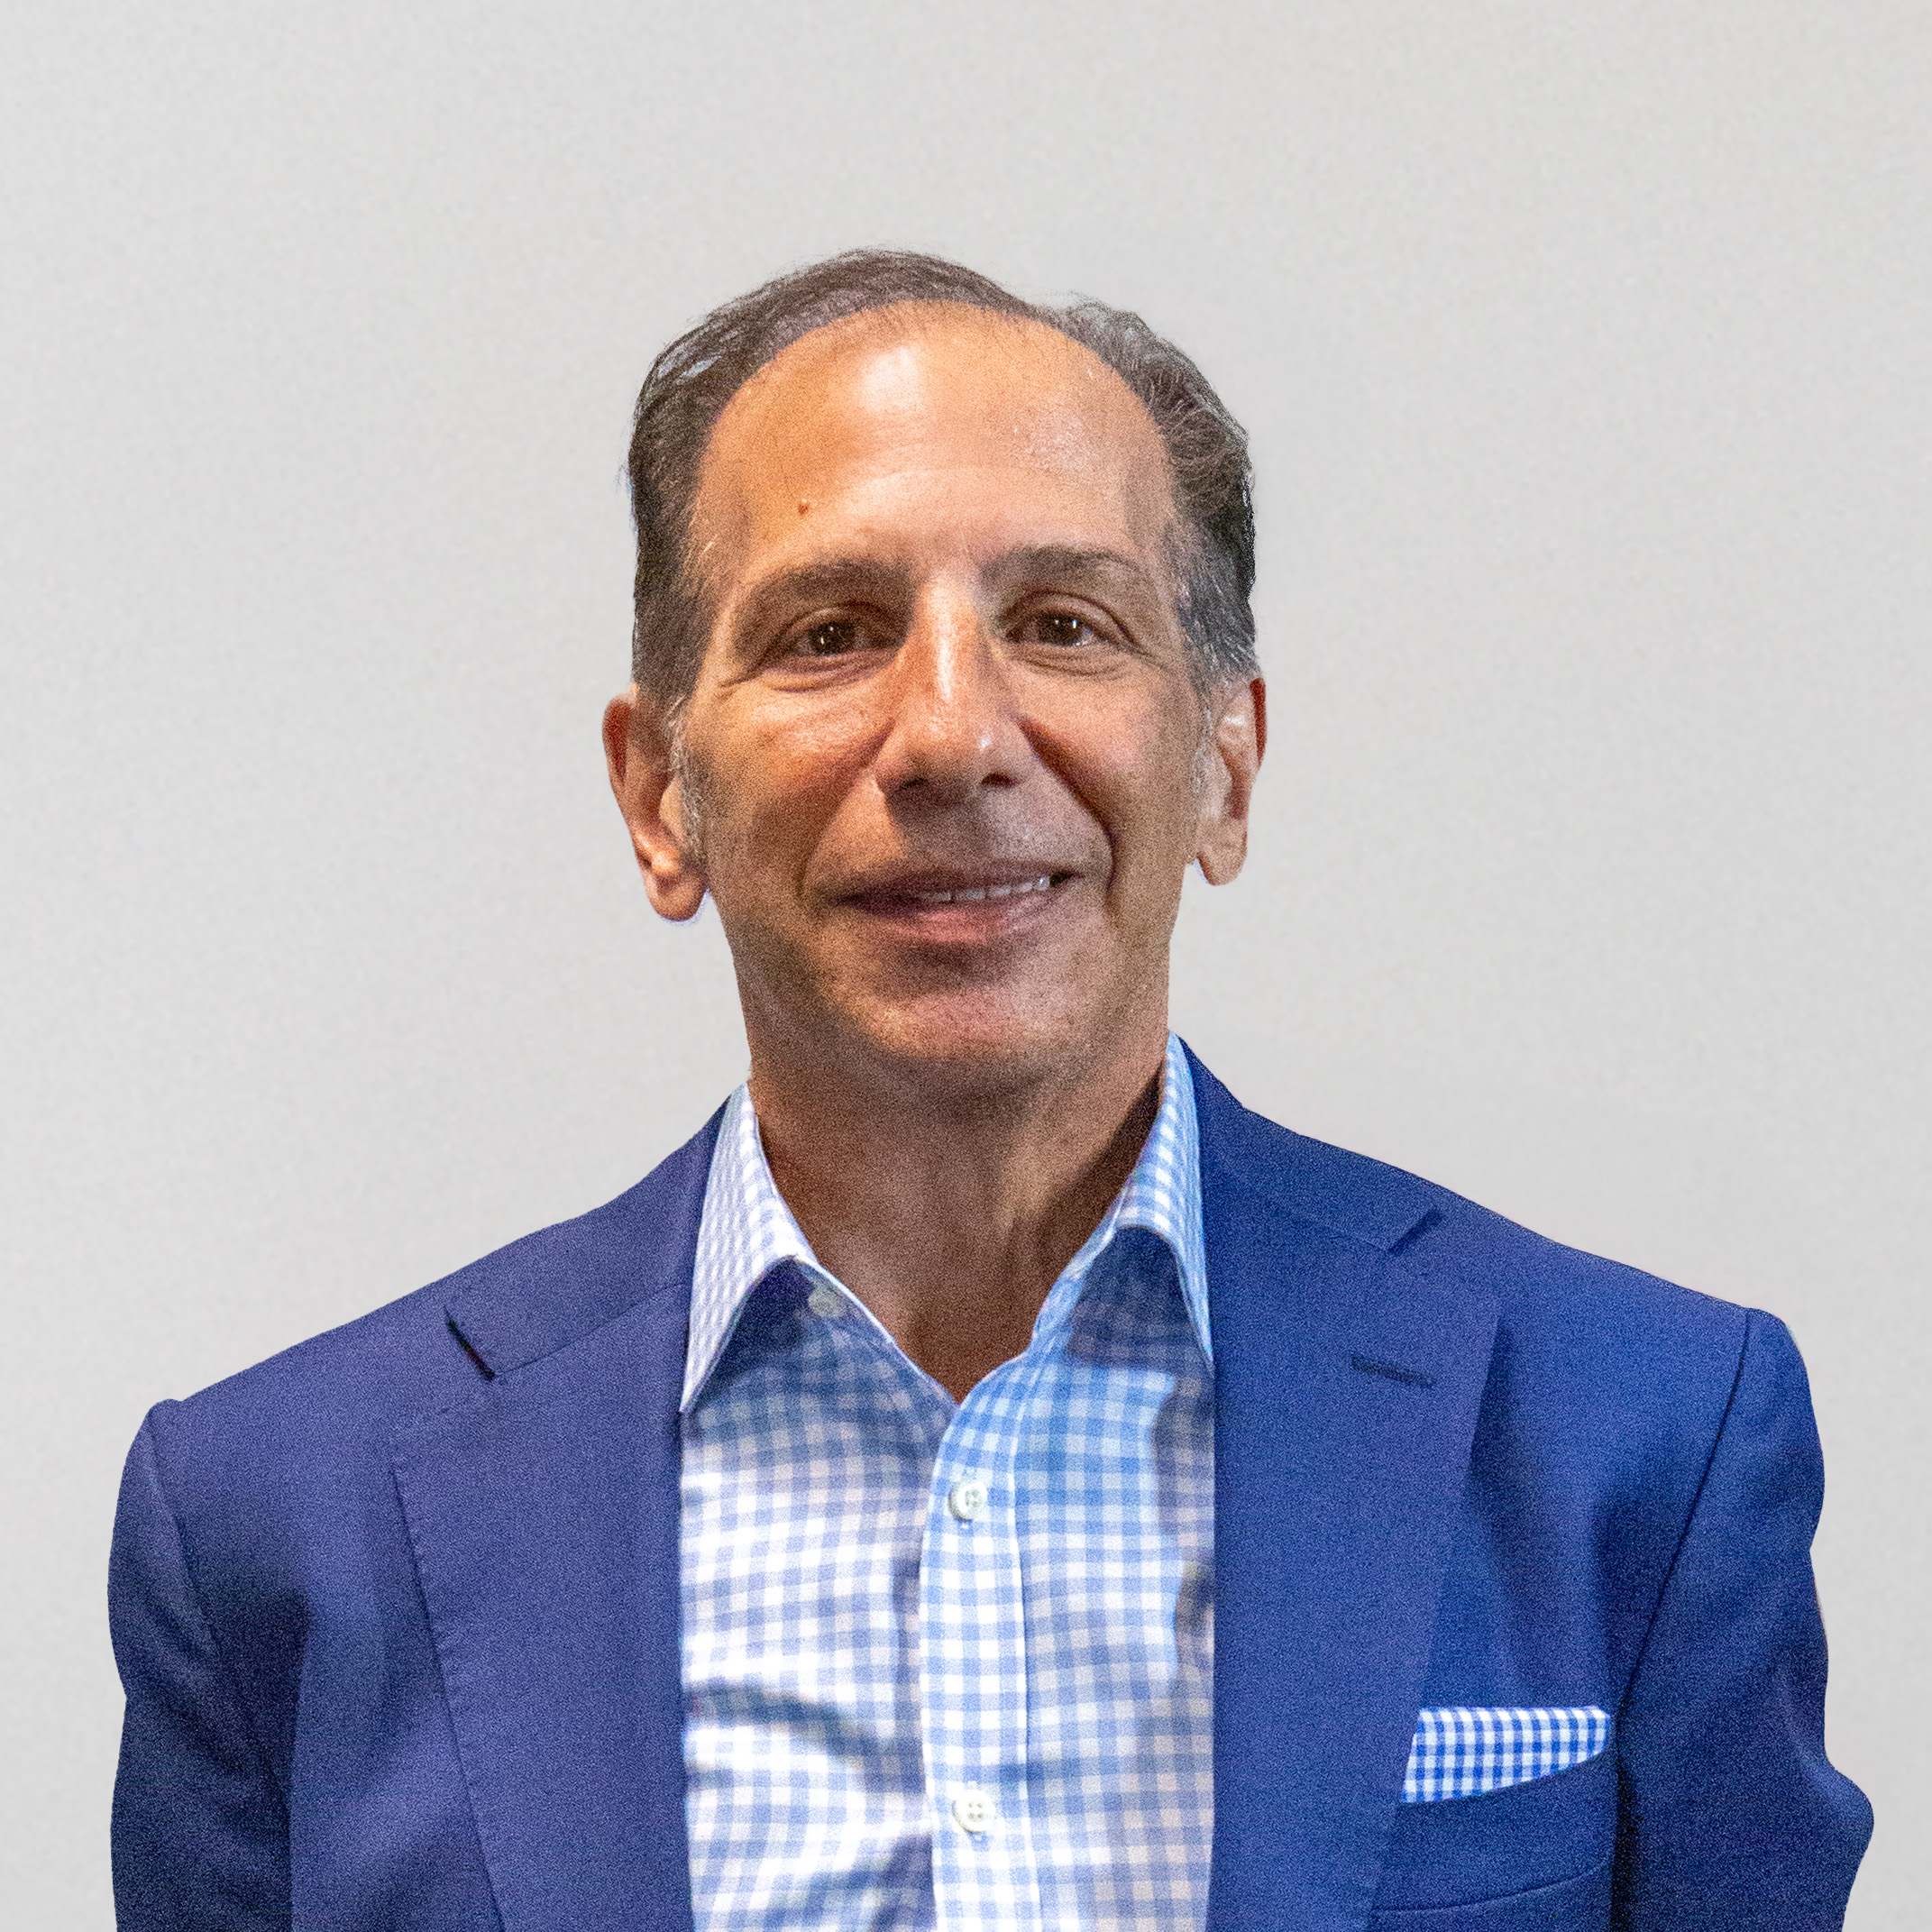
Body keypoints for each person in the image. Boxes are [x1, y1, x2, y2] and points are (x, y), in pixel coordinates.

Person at [108, 251, 1871, 1932]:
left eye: (1063, 623)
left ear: (1225, 763)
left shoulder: (1639, 1439)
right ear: (660, 797)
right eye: (829, 631)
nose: (953, 734)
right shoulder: (278, 1524)